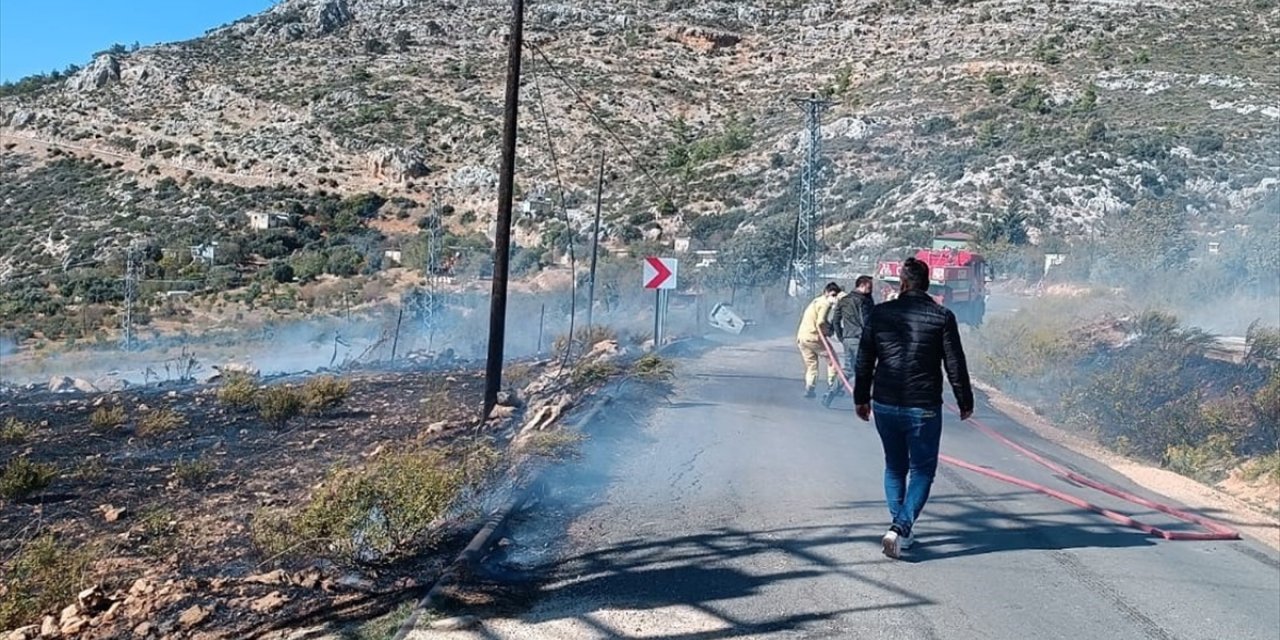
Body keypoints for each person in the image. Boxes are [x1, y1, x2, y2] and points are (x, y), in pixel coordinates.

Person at [853, 257, 974, 559]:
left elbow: (864, 359)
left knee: (895, 466)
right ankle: (901, 527)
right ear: (928, 284)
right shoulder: (942, 316)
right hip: (923, 407)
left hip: (885, 403)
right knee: (922, 470)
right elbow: (954, 363)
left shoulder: (879, 314)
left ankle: (900, 527)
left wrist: (860, 398)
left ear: (902, 283)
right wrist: (965, 401)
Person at [823, 275, 875, 407]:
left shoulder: (844, 300)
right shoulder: (865, 301)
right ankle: (870, 402)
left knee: (848, 370)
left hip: (848, 339)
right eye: (869, 287)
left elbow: (835, 321)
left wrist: (841, 337)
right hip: (860, 340)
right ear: (862, 285)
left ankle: (830, 393)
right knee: (868, 371)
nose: (871, 289)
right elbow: (867, 322)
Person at [796, 282, 842, 399]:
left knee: (811, 365)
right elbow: (820, 322)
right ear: (826, 293)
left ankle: (810, 388)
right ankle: (833, 387)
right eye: (832, 294)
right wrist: (829, 330)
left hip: (802, 337)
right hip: (814, 337)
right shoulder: (825, 304)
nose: (834, 297)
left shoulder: (816, 301)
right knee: (833, 360)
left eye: (835, 295)